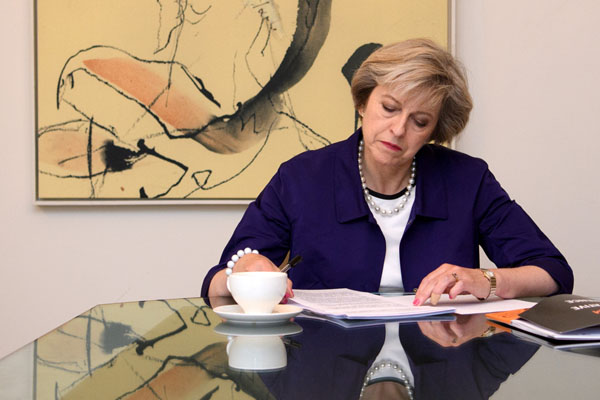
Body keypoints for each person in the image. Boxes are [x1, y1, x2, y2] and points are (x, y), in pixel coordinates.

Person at [201, 38, 574, 305]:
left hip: (442, 364)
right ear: (363, 102)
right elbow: (216, 283)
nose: (398, 129)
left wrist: (487, 280)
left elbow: (553, 273)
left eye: (420, 121)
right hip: (322, 367)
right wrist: (242, 269)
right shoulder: (301, 178)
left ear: (435, 131)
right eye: (390, 108)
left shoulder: (468, 180)